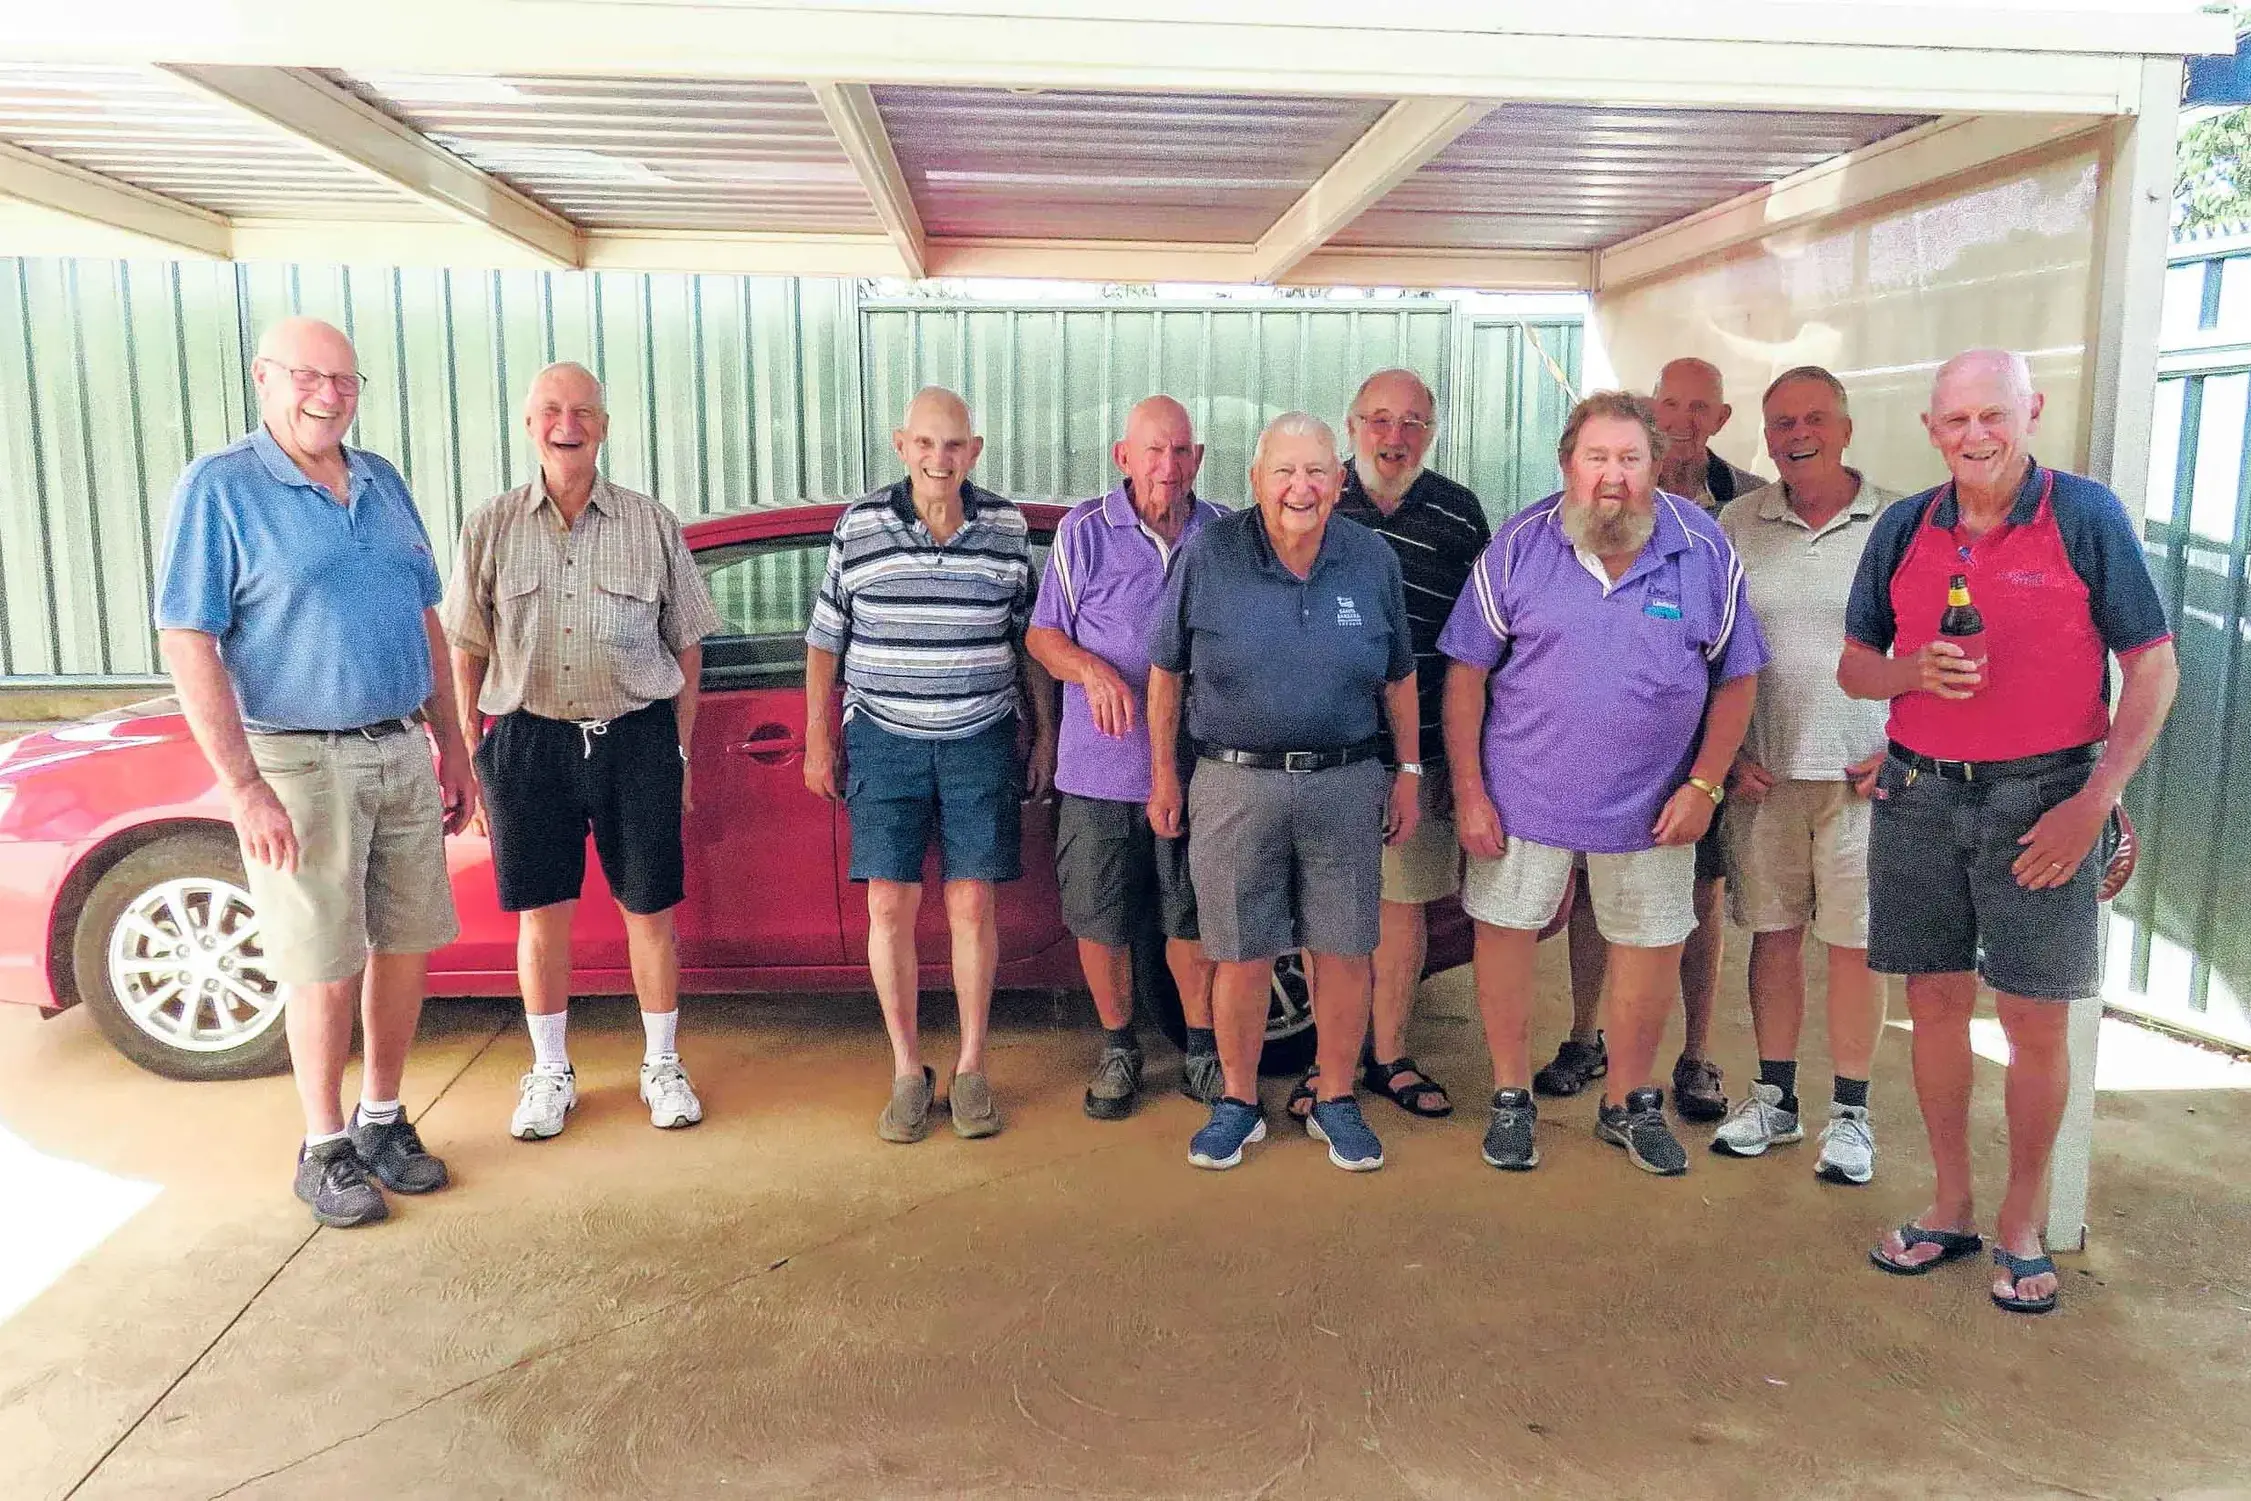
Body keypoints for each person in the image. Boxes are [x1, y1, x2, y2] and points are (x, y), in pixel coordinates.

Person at [1848, 350, 2176, 1315]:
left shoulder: (2084, 516)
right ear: (1930, 429)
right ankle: (1949, 1204)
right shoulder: (1905, 525)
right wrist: (1911, 674)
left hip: (2044, 800)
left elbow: (2151, 667)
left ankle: (2021, 1221)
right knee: (1934, 1001)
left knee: (2034, 1017)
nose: (1975, 436)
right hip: (1916, 793)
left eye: (1993, 415)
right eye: (1955, 422)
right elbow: (1855, 667)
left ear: (2030, 411)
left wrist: (2095, 798)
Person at [154, 316, 473, 1228]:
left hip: (398, 744)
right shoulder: (221, 488)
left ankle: (381, 1119)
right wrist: (245, 784)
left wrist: (452, 745)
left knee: (406, 943)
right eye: (308, 377)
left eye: (344, 380)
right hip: (297, 758)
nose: (327, 395)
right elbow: (189, 638)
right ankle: (323, 1144)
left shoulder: (381, 481)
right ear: (264, 378)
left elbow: (426, 621)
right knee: (322, 962)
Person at [1439, 391, 1767, 1177]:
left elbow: (1736, 678)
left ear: (1657, 466)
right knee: (1506, 934)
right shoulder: (1518, 546)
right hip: (1522, 797)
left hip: (1655, 806)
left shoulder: (1705, 550)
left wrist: (1704, 786)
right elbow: (1464, 676)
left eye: (1629, 458)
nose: (1611, 476)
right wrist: (1472, 791)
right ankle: (1511, 1096)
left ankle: (1627, 1101)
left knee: (1651, 946)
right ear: (1566, 464)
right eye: (1596, 458)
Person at [442, 362, 721, 1142]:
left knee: (651, 913)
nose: (569, 424)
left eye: (584, 411)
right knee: (542, 918)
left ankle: (661, 1065)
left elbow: (687, 646)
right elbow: (466, 646)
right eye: (553, 411)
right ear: (530, 424)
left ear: (602, 425)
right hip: (528, 740)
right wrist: (472, 753)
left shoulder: (648, 521)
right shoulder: (490, 524)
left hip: (635, 738)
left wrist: (683, 754)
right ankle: (550, 1071)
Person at [1147, 412, 1420, 1173]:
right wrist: (1164, 775)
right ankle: (1237, 1102)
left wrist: (1408, 773)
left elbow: (1399, 676)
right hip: (1233, 781)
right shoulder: (1208, 554)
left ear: (1338, 481)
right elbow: (1165, 672)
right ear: (1254, 481)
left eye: (1316, 472)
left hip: (1345, 780)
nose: (1300, 487)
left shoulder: (1370, 558)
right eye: (1283, 472)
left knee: (1344, 949)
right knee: (1238, 952)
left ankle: (1335, 1098)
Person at [804, 387, 1057, 1143]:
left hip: (982, 733)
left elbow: (1029, 642)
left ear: (973, 450)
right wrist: (820, 737)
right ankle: (907, 1070)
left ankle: (972, 1066)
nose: (938, 458)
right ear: (900, 444)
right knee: (888, 907)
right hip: (883, 736)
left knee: (973, 907)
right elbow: (825, 641)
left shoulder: (1007, 528)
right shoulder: (860, 526)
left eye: (953, 445)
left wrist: (1043, 733)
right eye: (925, 443)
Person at [1543, 356, 1761, 1121]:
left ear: (1720, 418)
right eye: (1668, 402)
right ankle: (1582, 1036)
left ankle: (1694, 1055)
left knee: (1696, 901)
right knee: (1591, 902)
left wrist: (1725, 762)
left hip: (1705, 759)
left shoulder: (1746, 509)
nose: (1682, 417)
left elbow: (1746, 653)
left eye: (1699, 406)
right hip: (1608, 760)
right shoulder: (1589, 504)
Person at [1710, 367, 1903, 1182]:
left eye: (1814, 418)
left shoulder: (1901, 520)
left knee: (1856, 946)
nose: (1797, 434)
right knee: (1773, 935)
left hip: (1868, 774)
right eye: (1781, 421)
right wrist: (1723, 755)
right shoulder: (1734, 521)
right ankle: (1775, 1100)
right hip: (1764, 773)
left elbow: (1945, 643)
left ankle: (1851, 1115)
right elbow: (1708, 647)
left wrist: (1905, 745)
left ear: (1846, 427)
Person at [1025, 396, 1223, 1119]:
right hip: (1099, 771)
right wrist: (1092, 670)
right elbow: (1042, 635)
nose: (1166, 467)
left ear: (1197, 459)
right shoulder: (1083, 533)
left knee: (1189, 919)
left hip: (1201, 771)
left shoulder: (1225, 533)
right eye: (1152, 451)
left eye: (1179, 452)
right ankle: (1118, 1048)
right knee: (1100, 918)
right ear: (1123, 457)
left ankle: (1201, 1049)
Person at [1315, 368, 1490, 1125]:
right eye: (1379, 420)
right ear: (1350, 424)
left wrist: (1464, 762)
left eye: (1413, 422)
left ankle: (1387, 1055)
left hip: (1419, 756)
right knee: (1322, 913)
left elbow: (1479, 649)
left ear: (1432, 431)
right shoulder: (1311, 497)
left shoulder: (1458, 514)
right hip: (1319, 750)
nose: (1395, 437)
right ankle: (1333, 1064)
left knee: (1402, 907)